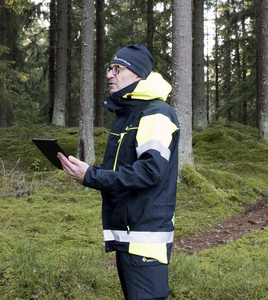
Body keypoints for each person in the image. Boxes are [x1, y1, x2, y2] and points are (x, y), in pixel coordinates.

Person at [58, 44, 179, 300]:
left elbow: (150, 170)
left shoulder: (156, 113)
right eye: (108, 69)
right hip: (128, 232)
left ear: (137, 74)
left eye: (117, 69)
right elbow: (122, 170)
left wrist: (92, 175)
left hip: (146, 235)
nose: (110, 75)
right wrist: (86, 172)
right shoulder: (129, 115)